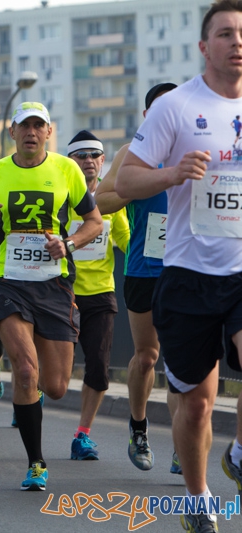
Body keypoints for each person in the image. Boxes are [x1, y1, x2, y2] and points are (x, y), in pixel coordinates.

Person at [115, 3, 242, 529]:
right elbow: (124, 183)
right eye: (226, 34)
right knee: (197, 406)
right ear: (204, 46)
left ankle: (238, 456)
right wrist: (171, 175)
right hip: (189, 274)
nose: (237, 42)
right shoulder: (174, 107)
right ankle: (197, 499)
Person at [0, 102, 102, 491]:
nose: (31, 131)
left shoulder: (66, 170)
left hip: (54, 284)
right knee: (26, 371)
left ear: (49, 132)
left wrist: (69, 243)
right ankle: (36, 462)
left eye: (38, 125)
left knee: (56, 386)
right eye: (23, 125)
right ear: (11, 133)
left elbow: (94, 222)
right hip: (8, 281)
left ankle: (31, 400)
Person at [94, 82, 180, 473]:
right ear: (148, 116)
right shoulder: (132, 154)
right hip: (144, 268)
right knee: (148, 356)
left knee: (184, 360)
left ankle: (185, 443)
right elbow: (102, 200)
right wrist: (139, 184)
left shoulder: (200, 152)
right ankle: (139, 427)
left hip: (187, 268)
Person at [65, 130, 129, 460]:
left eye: (94, 155)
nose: (88, 161)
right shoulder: (60, 200)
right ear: (69, 160)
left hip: (101, 294)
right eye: (81, 155)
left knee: (99, 369)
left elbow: (128, 245)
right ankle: (31, 393)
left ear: (103, 161)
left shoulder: (111, 205)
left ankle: (82, 434)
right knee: (55, 376)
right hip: (61, 293)